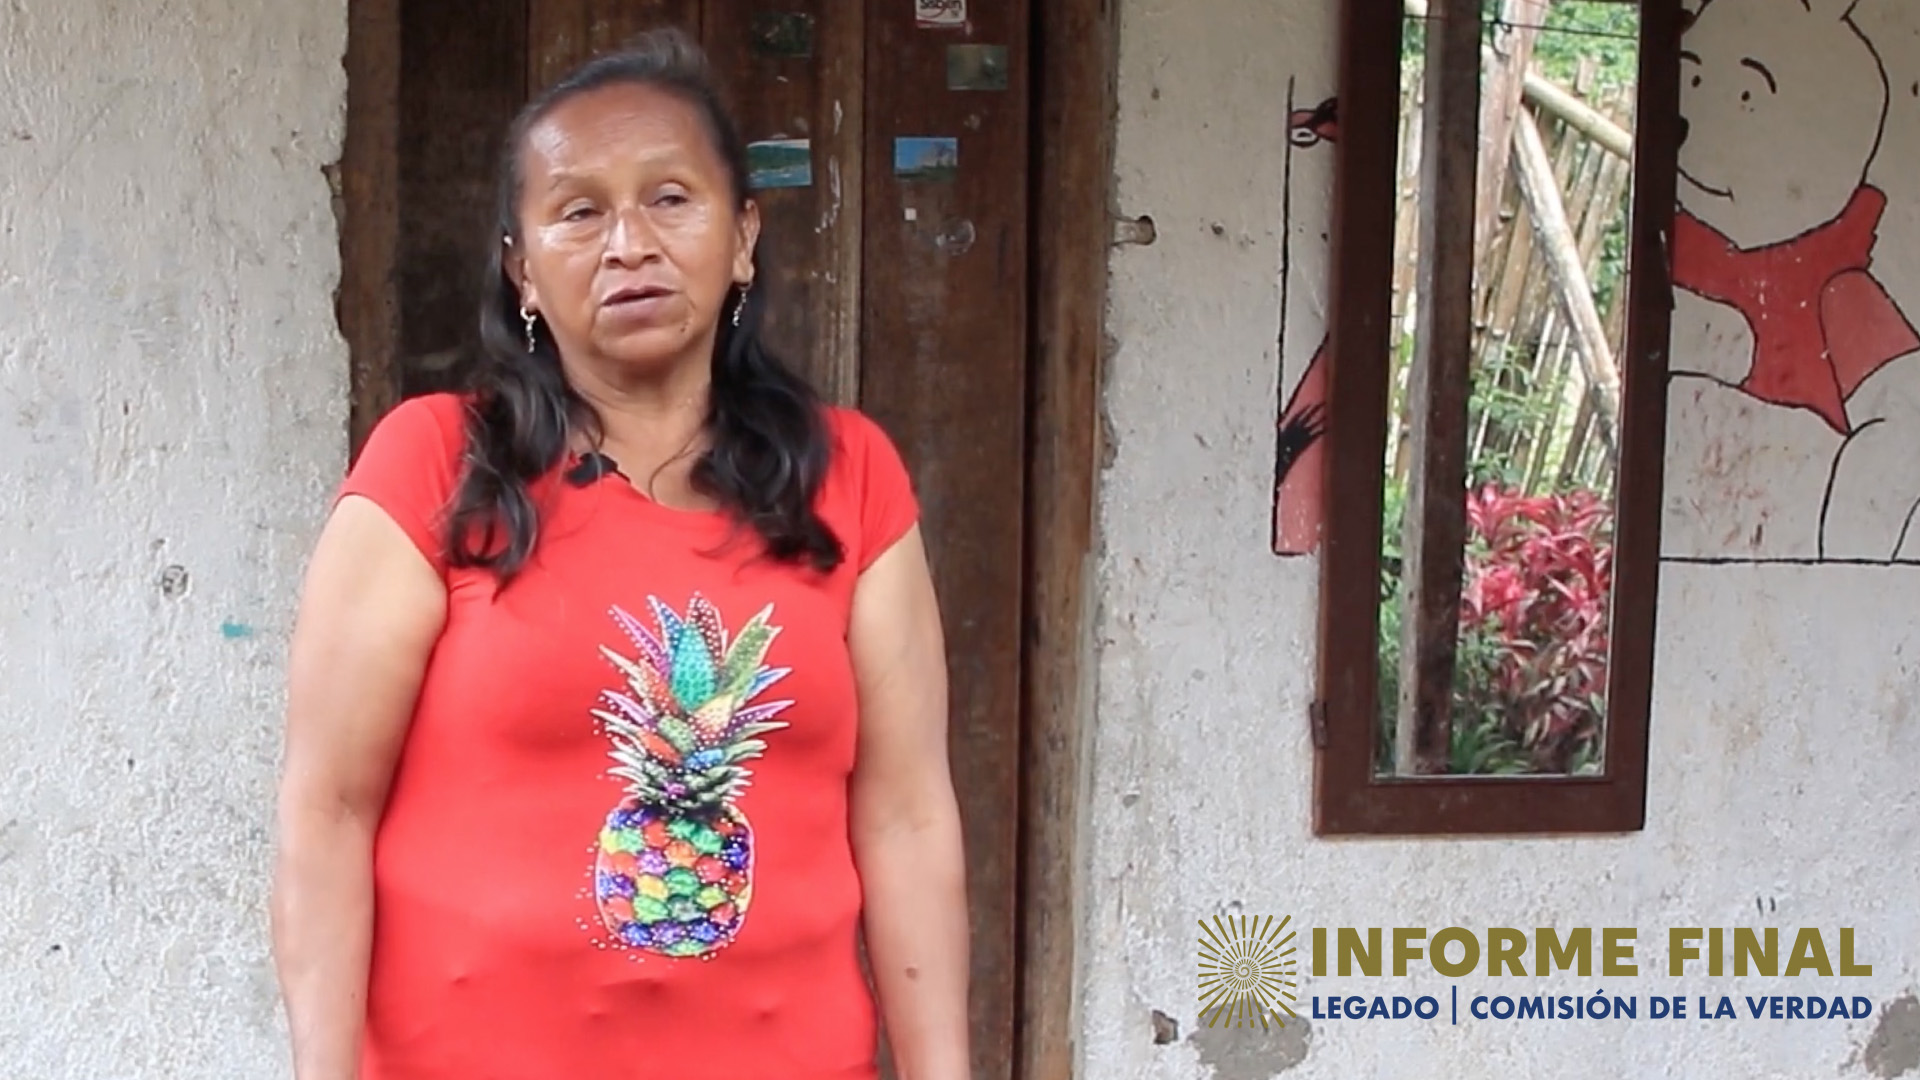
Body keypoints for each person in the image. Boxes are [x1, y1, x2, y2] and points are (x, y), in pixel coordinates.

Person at [269, 29, 971, 1080]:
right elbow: (325, 814)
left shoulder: (850, 480)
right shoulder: (433, 466)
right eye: (578, 210)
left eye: (671, 198)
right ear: (522, 270)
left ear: (743, 238)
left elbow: (909, 817)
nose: (628, 241)